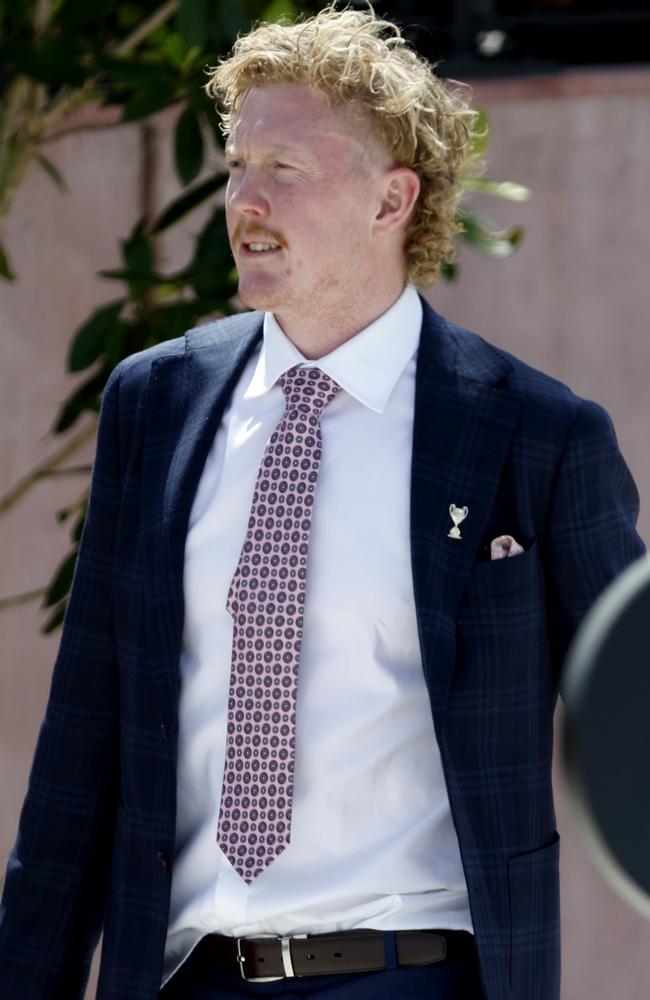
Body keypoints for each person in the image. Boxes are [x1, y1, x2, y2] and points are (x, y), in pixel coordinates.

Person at [0, 6, 644, 1000]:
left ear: (391, 201)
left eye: (284, 171)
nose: (243, 202)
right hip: (181, 973)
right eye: (234, 166)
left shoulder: (534, 438)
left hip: (412, 974)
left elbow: (630, 719)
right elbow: (83, 745)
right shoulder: (153, 403)